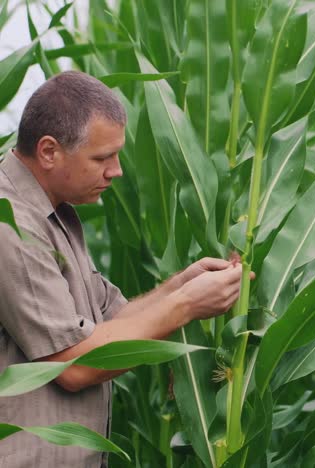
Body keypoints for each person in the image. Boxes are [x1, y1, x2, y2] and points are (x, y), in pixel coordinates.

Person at [0, 71, 250, 467]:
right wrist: (185, 305)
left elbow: (107, 323)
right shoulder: (10, 224)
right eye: (102, 158)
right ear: (49, 151)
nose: (116, 170)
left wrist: (180, 286)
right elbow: (75, 363)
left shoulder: (53, 212)